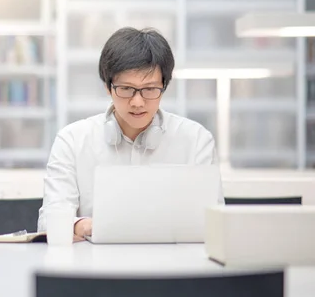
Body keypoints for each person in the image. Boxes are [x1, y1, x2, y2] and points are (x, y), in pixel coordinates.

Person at [37, 27, 219, 237]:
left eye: (150, 89)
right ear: (108, 86)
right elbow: (49, 221)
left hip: (174, 265)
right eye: (126, 89)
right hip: (94, 266)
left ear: (164, 86)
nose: (137, 102)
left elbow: (216, 223)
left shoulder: (196, 141)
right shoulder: (72, 141)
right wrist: (84, 226)